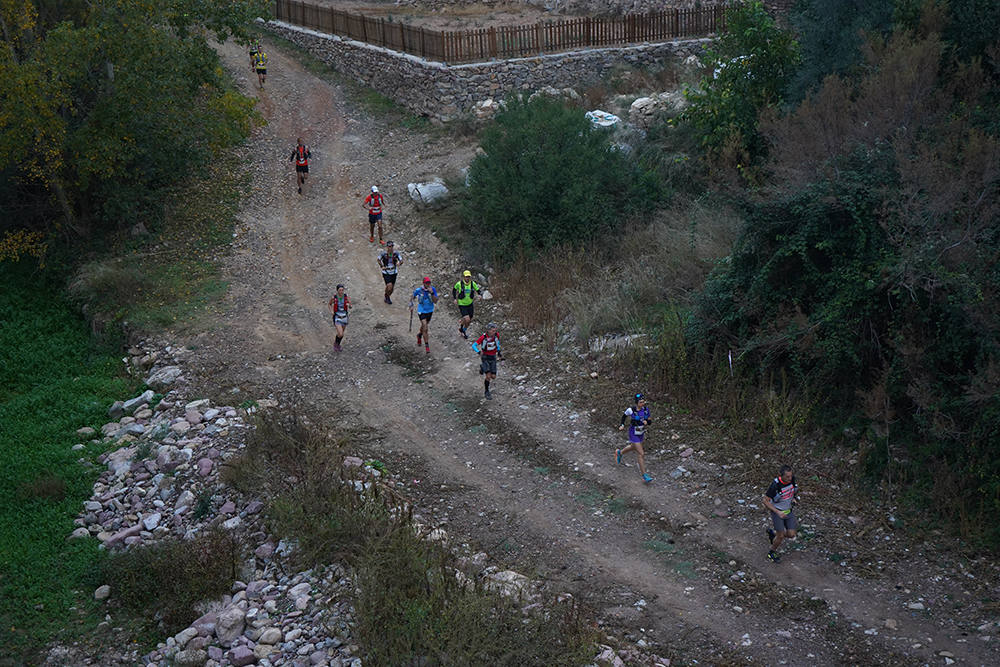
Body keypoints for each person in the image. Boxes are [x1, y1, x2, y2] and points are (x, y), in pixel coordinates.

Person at [763, 465, 798, 563]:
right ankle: (771, 552)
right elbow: (765, 501)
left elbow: (793, 490)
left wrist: (794, 498)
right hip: (778, 512)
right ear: (781, 476)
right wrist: (778, 512)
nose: (790, 478)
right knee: (781, 536)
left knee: (791, 534)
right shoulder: (775, 485)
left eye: (791, 476)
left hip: (788, 511)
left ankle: (773, 534)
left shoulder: (792, 480)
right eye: (787, 477)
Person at [617, 393, 653, 483]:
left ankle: (620, 453)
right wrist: (622, 425)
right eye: (641, 402)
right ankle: (644, 475)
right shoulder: (631, 410)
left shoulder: (646, 410)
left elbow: (650, 421)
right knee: (641, 453)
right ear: (637, 403)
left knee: (633, 447)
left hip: (641, 432)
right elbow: (624, 416)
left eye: (643, 402)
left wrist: (647, 422)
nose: (643, 403)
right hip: (633, 433)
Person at [473, 322, 502, 399]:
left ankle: (482, 367)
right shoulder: (483, 337)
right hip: (485, 357)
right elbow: (474, 345)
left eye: (495, 330)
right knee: (488, 376)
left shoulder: (496, 335)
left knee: (493, 376)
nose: (494, 332)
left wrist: (499, 351)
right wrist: (479, 352)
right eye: (493, 331)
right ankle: (486, 391)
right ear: (488, 330)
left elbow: (497, 343)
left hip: (493, 357)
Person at [409, 276, 438, 353]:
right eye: (426, 283)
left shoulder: (433, 289)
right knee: (425, 327)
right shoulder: (419, 290)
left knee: (424, 326)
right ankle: (427, 345)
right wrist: (411, 305)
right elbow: (412, 297)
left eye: (429, 283)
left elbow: (435, 301)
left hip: (430, 310)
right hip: (421, 310)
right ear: (423, 283)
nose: (428, 284)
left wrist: (431, 293)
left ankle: (419, 335)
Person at [452, 270, 481, 339]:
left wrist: (479, 294)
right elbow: (454, 290)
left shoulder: (472, 283)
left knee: (469, 320)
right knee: (467, 320)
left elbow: (478, 290)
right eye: (466, 277)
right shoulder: (459, 284)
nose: (467, 278)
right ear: (463, 277)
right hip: (462, 304)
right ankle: (463, 331)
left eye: (468, 277)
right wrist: (454, 299)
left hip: (470, 304)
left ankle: (462, 329)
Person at [327, 284, 351, 352]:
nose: (341, 291)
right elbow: (329, 304)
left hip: (344, 317)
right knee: (340, 333)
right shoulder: (334, 297)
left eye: (342, 290)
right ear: (337, 290)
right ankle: (335, 344)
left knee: (341, 334)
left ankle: (338, 344)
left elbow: (350, 305)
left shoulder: (346, 297)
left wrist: (349, 305)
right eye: (340, 290)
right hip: (337, 317)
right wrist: (331, 311)